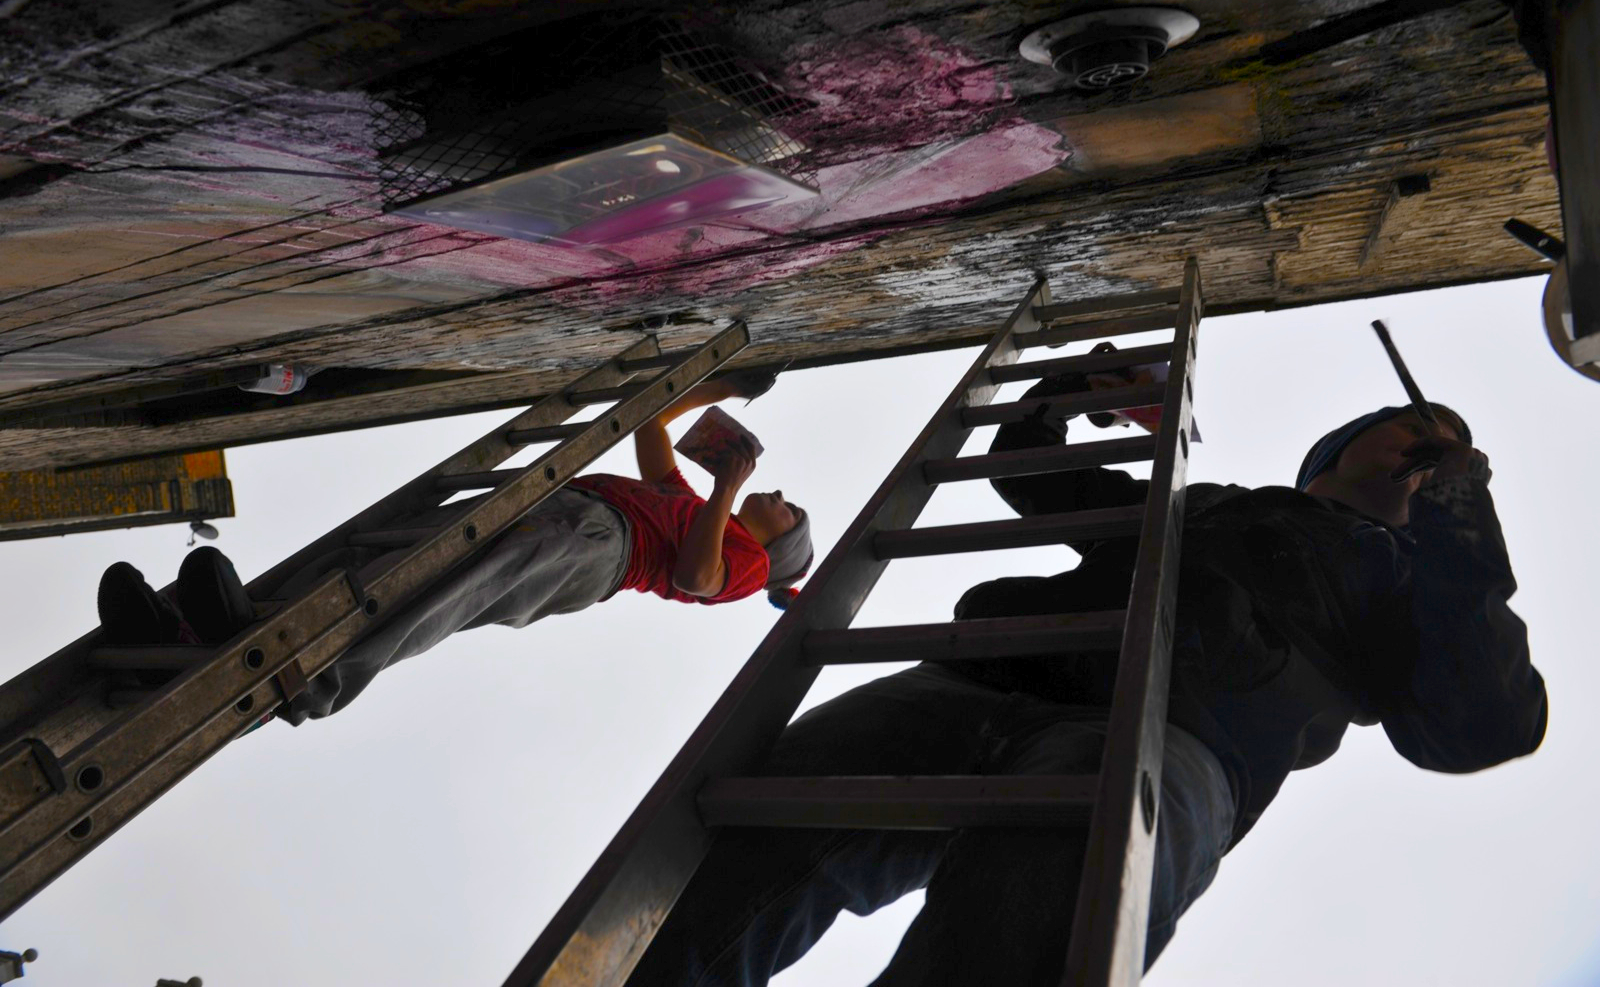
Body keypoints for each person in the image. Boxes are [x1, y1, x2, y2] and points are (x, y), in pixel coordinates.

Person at [629, 366, 1546, 987]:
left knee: (1025, 940)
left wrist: (1461, 527)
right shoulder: (1211, 509)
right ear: (1335, 452)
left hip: (1179, 745)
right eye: (1415, 429)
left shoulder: (1420, 588)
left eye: (1453, 451)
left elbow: (1480, 728)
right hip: (984, 680)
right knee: (728, 868)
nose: (1434, 449)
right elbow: (1025, 465)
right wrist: (1078, 385)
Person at [93, 373, 813, 724]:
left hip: (594, 547)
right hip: (563, 510)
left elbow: (693, 579)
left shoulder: (745, 564)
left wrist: (728, 487)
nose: (779, 499)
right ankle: (206, 634)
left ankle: (303, 680)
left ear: (777, 544)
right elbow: (652, 430)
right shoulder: (689, 503)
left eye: (790, 511)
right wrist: (705, 391)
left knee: (435, 595)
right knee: (381, 556)